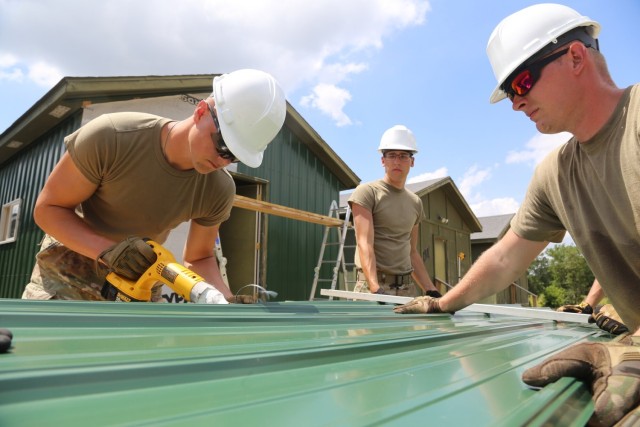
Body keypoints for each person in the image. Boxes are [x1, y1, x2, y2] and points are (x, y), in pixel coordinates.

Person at [393, 4, 640, 425]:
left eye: (522, 81)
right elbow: (505, 256)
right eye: (509, 92)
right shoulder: (556, 174)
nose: (516, 102)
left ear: (576, 57)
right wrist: (444, 304)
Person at [22, 69, 287, 304]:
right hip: (67, 274)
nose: (222, 161)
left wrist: (226, 303)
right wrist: (108, 252)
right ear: (201, 111)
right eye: (222, 145)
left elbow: (200, 257)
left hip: (139, 283)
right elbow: (49, 209)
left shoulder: (218, 190)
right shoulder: (112, 137)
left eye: (235, 156)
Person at [348, 125, 441, 298]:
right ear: (383, 160)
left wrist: (431, 289)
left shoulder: (415, 202)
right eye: (391, 155)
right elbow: (364, 243)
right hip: (373, 287)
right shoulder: (367, 192)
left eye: (403, 156)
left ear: (412, 162)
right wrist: (375, 288)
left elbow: (411, 252)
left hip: (406, 290)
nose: (397, 161)